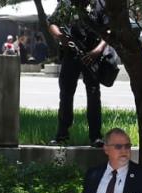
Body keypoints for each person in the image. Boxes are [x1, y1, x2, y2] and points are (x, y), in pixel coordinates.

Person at [48, 0, 108, 147]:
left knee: (94, 95)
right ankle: (62, 135)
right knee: (66, 94)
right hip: (71, 54)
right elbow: (52, 23)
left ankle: (95, 136)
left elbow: (108, 30)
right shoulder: (67, 3)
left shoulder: (100, 3)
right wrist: (61, 37)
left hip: (92, 55)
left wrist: (97, 51)